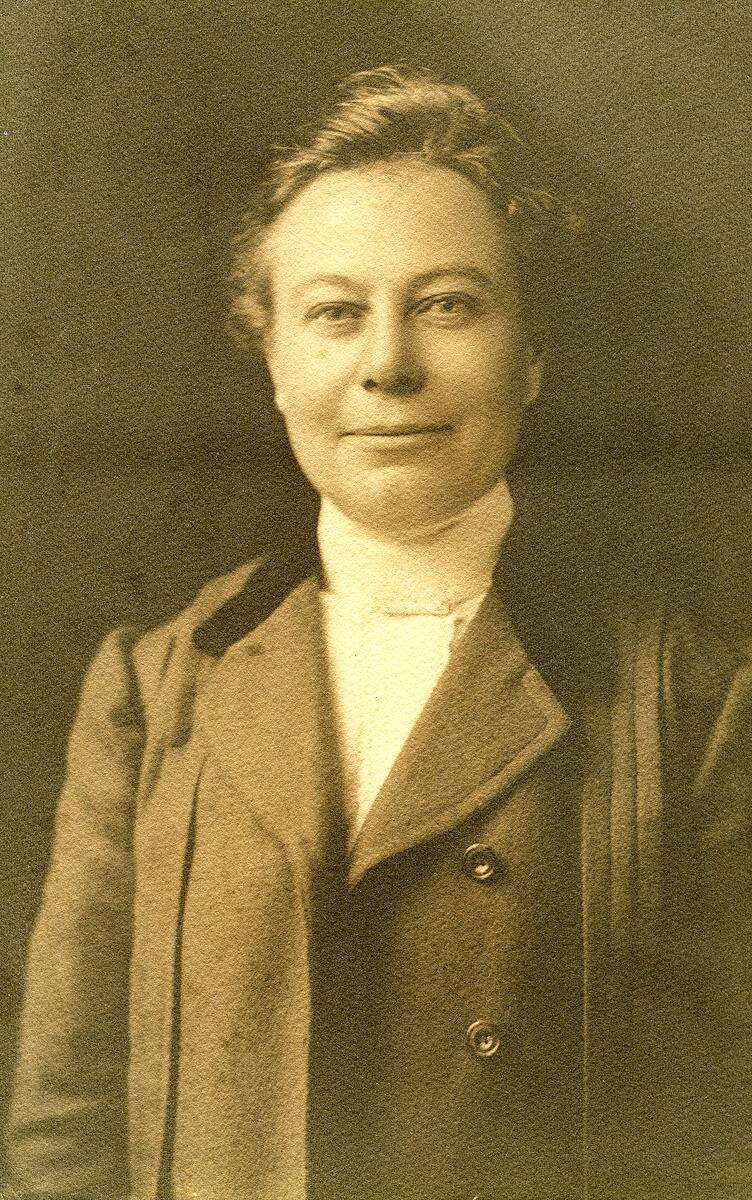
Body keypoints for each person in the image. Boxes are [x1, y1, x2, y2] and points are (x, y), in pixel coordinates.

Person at [7, 65, 752, 1200]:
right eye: (335, 313)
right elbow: (62, 1134)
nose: (389, 365)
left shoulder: (693, 702)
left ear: (533, 356)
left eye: (447, 304)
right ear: (273, 361)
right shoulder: (156, 689)